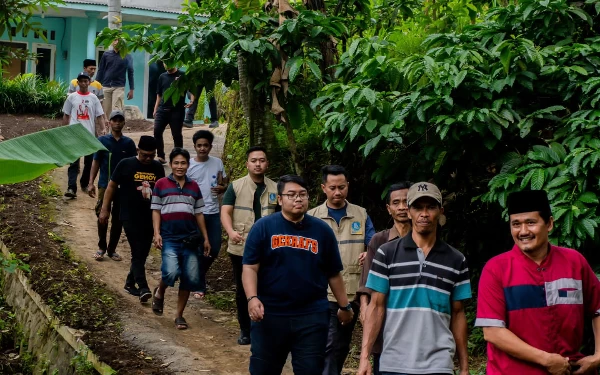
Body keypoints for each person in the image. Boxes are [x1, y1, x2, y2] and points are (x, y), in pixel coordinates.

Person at [475, 190, 600, 375]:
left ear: (549, 224)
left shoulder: (575, 262)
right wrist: (546, 360)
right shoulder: (496, 269)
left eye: (531, 223)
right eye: (516, 224)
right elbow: (492, 332)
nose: (523, 231)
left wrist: (598, 355)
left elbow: (597, 308)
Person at [242, 174, 355, 375]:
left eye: (302, 194)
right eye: (291, 195)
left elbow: (333, 273)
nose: (298, 199)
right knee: (263, 369)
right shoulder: (263, 227)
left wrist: (344, 305)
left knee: (311, 370)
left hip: (311, 315)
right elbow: (250, 267)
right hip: (270, 314)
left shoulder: (322, 230)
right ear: (279, 199)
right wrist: (252, 298)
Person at [358, 181, 471, 375]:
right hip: (394, 362)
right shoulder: (386, 253)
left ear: (441, 211)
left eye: (431, 207)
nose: (424, 214)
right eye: (418, 207)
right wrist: (364, 357)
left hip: (439, 364)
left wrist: (465, 367)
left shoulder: (456, 259)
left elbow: (458, 314)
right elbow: (376, 307)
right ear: (409, 212)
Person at [307, 165, 376, 375]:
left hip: (353, 290)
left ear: (348, 186)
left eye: (342, 187)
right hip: (322, 292)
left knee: (341, 344)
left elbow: (374, 243)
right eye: (333, 187)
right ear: (323, 188)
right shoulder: (312, 217)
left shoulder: (361, 214)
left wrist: (369, 252)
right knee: (329, 343)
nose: (338, 192)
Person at [221, 146, 278, 345]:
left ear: (267, 164)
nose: (258, 164)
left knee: (268, 287)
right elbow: (225, 212)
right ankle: (245, 330)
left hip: (270, 249)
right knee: (243, 289)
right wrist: (230, 232)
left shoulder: (276, 188)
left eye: (262, 160)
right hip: (241, 246)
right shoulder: (236, 186)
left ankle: (265, 328)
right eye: (254, 160)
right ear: (247, 164)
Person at [99, 136, 165, 303]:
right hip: (128, 214)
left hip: (150, 216)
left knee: (142, 252)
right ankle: (143, 287)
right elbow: (111, 186)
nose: (148, 159)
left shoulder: (157, 167)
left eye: (152, 155)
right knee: (136, 250)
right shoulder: (125, 164)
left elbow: (161, 192)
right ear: (137, 151)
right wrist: (105, 209)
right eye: (144, 155)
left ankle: (129, 283)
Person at [356, 181, 413, 375]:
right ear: (389, 209)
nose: (402, 207)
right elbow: (366, 284)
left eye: (407, 201)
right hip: (386, 328)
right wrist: (364, 309)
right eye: (396, 203)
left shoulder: (428, 240)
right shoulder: (379, 241)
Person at [151, 148, 211, 330]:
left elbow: (199, 213)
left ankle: (179, 315)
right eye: (176, 163)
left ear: (188, 165)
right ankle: (160, 291)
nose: (179, 166)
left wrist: (206, 238)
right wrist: (156, 233)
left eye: (183, 163)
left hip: (190, 238)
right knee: (170, 272)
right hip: (169, 236)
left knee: (190, 276)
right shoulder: (161, 184)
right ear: (170, 165)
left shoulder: (194, 187)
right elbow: (156, 210)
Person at [87, 110, 136, 262]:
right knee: (102, 215)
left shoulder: (129, 144)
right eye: (114, 120)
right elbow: (95, 162)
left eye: (120, 120)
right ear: (109, 123)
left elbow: (134, 165)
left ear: (123, 123)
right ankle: (101, 247)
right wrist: (91, 183)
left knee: (118, 219)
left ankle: (112, 250)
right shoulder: (102, 141)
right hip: (104, 185)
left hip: (123, 187)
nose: (117, 123)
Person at [187, 130, 228, 299]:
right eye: (199, 145)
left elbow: (224, 181)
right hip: (194, 213)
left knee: (215, 248)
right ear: (195, 146)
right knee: (197, 249)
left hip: (213, 212)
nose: (202, 148)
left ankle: (195, 275)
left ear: (210, 146)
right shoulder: (188, 165)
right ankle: (199, 284)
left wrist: (222, 188)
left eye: (206, 145)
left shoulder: (217, 162)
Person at [62, 71, 105, 198]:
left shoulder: (93, 98)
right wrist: (64, 131)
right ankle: (71, 188)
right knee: (74, 162)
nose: (83, 83)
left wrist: (103, 129)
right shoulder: (72, 97)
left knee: (89, 162)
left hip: (89, 135)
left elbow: (100, 115)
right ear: (78, 82)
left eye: (86, 81)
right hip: (74, 134)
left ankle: (84, 184)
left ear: (89, 82)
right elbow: (66, 115)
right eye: (81, 81)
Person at [153, 62, 194, 164]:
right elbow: (159, 95)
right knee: (157, 131)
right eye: (165, 62)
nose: (167, 64)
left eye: (169, 61)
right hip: (162, 109)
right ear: (163, 64)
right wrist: (155, 109)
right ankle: (161, 156)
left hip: (177, 110)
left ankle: (178, 156)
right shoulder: (162, 76)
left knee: (176, 135)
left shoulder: (183, 75)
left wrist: (192, 101)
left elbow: (191, 89)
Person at [96, 39, 134, 115]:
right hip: (106, 86)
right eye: (114, 40)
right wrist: (96, 85)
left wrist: (131, 89)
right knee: (105, 111)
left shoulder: (127, 56)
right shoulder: (106, 55)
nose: (116, 42)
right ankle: (107, 127)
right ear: (112, 42)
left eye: (118, 40)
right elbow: (101, 70)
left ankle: (118, 127)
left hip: (119, 87)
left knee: (117, 111)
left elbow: (130, 73)